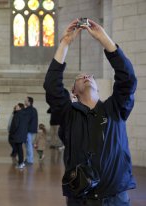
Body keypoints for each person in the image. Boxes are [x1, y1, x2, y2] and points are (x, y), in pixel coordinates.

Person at [44, 19, 137, 205]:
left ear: (98, 88)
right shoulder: (68, 114)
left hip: (115, 198)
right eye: (80, 77)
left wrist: (104, 38)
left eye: (90, 77)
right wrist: (64, 43)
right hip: (81, 199)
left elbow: (127, 79)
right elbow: (52, 86)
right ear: (74, 91)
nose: (86, 77)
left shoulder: (115, 108)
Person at [9, 103, 28, 169]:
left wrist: (11, 132)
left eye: (17, 106)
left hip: (17, 135)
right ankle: (21, 163)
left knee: (19, 149)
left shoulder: (17, 114)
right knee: (20, 149)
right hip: (22, 134)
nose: (15, 107)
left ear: (20, 108)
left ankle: (21, 163)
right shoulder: (25, 114)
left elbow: (15, 125)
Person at [24, 96, 38, 165]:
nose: (24, 102)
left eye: (26, 101)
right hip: (32, 130)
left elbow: (26, 121)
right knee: (29, 145)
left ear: (29, 102)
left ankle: (30, 160)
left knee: (29, 145)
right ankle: (28, 159)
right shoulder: (34, 109)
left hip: (28, 131)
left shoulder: (28, 110)